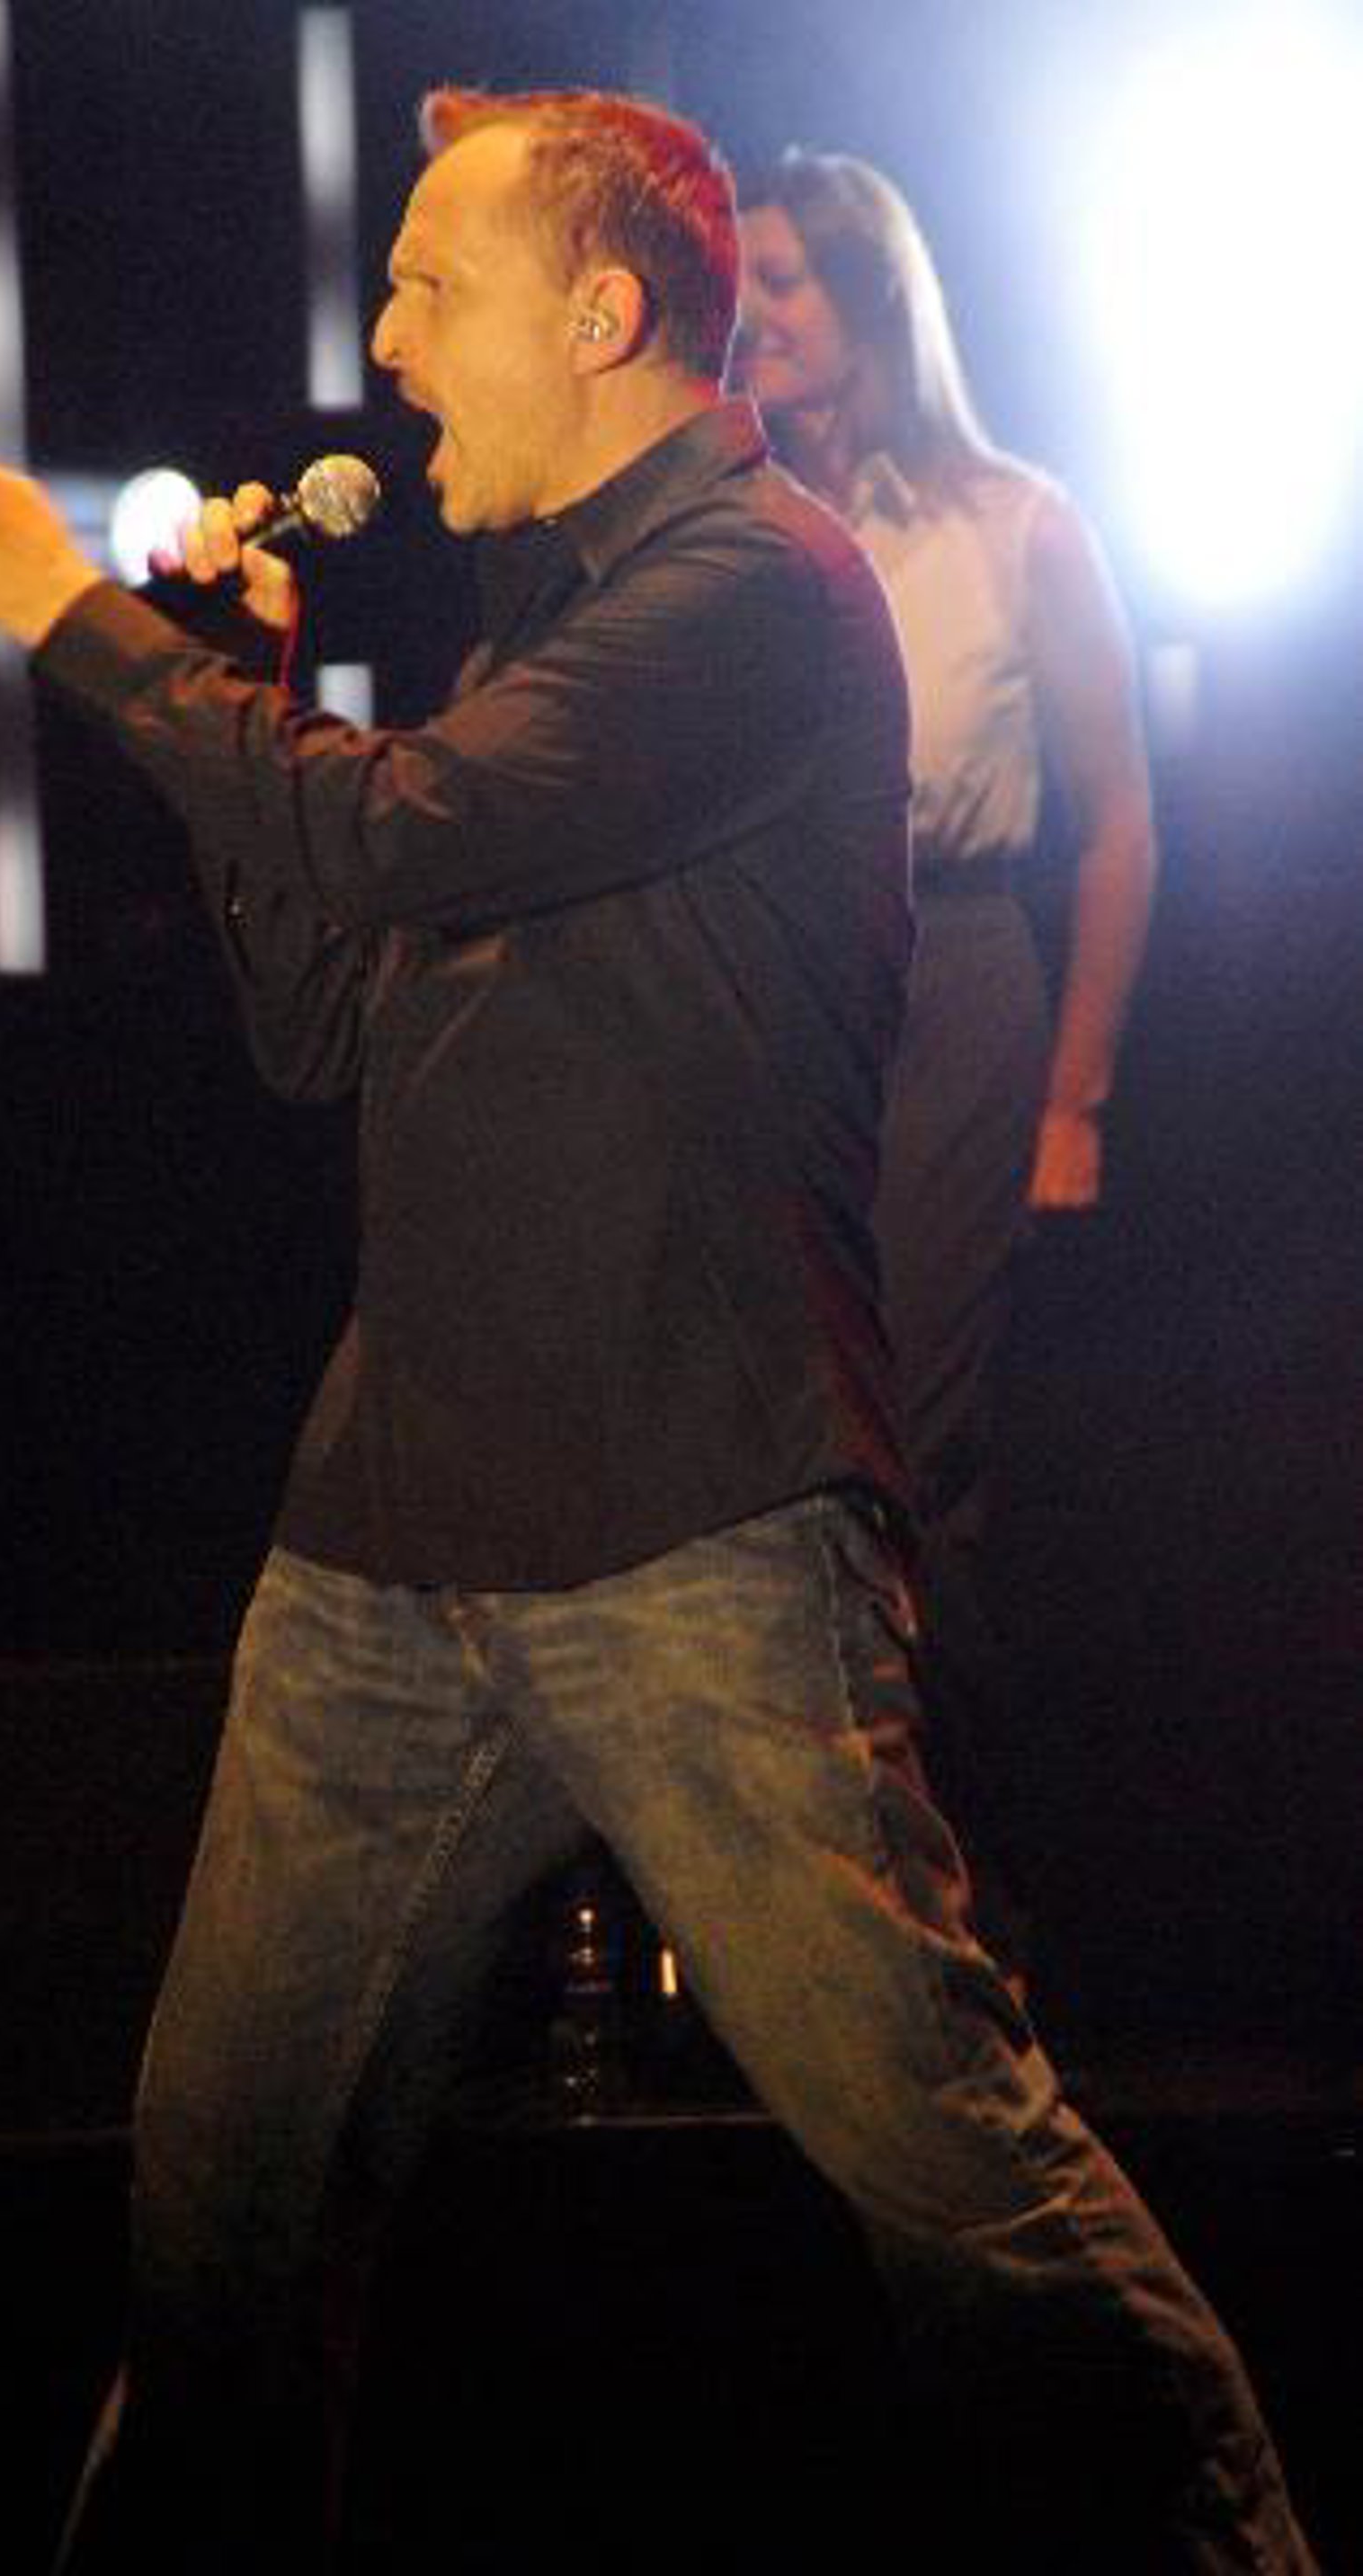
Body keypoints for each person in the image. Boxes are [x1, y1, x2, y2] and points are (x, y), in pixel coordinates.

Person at [0, 87, 1311, 2574]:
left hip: (688, 1526)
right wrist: (233, 685)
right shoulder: (549, 614)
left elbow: (393, 830)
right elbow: (329, 1010)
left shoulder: (756, 587)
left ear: (604, 316)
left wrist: (72, 620)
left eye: (433, 285)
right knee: (225, 2217)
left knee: (961, 2185)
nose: (391, 342)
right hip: (391, 1535)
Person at [731, 151, 1159, 1948]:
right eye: (742, 282)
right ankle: (868, 1888)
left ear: (873, 300)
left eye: (782, 280)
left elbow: (1120, 819)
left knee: (901, 1444)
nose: (753, 313)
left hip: (960, 979)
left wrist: (1075, 1094)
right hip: (783, 990)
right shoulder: (740, 524)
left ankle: (975, 1877)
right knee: (782, 1445)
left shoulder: (1013, 522)